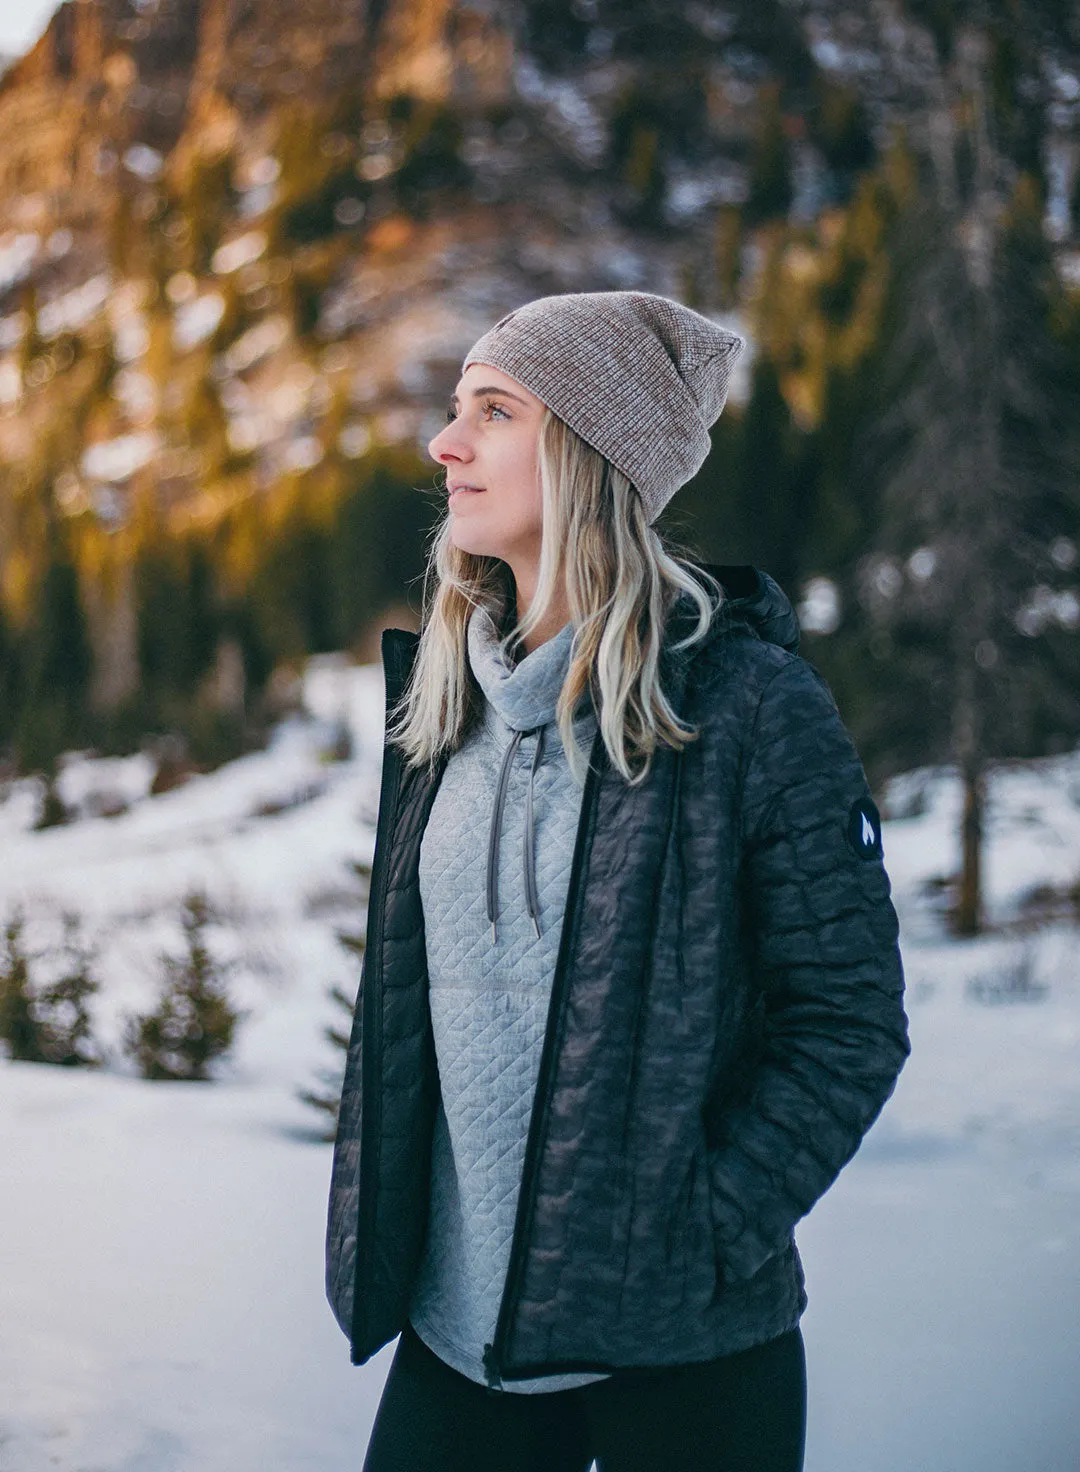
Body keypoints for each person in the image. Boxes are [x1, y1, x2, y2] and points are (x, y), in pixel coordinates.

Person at [325, 291, 909, 1472]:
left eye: (493, 411)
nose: (446, 443)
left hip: (682, 1356)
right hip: (458, 1343)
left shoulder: (745, 706)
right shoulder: (442, 702)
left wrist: (705, 1230)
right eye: (453, 410)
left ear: (593, 454)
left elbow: (848, 1019)